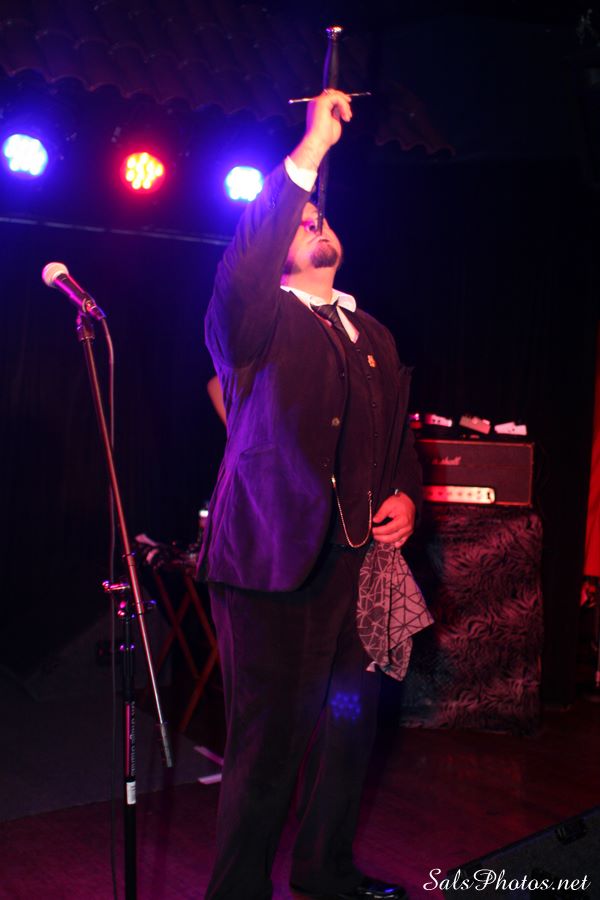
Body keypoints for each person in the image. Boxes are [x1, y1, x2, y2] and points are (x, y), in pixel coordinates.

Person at [198, 89, 422, 900]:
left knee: (348, 728)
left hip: (357, 567)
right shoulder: (254, 322)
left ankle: (324, 871)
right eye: (298, 222)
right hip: (271, 565)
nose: (313, 222)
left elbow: (395, 444)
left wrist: (406, 496)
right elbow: (248, 255)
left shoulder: (373, 334)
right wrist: (308, 155)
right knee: (269, 743)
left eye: (319, 216)